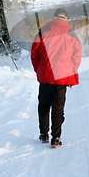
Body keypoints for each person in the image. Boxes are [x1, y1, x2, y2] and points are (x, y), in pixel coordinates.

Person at [31, 8, 82, 148]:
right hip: (62, 76)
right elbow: (77, 56)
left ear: (54, 18)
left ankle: (43, 134)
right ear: (66, 19)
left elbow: (34, 53)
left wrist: (39, 69)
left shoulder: (44, 30)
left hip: (46, 75)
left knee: (43, 106)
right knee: (58, 108)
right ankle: (56, 138)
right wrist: (71, 69)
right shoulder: (71, 33)